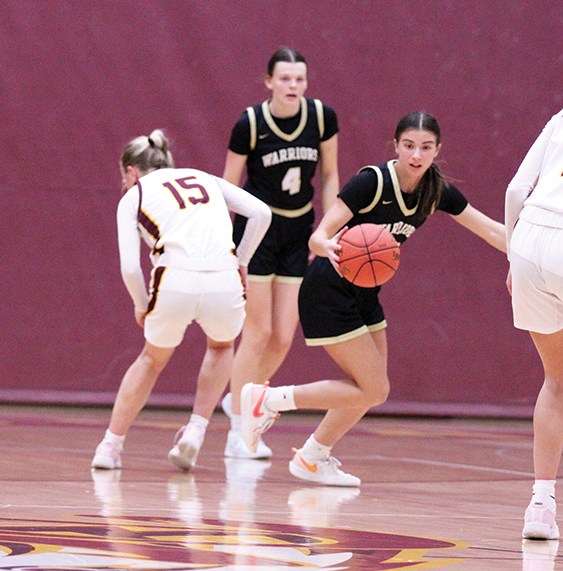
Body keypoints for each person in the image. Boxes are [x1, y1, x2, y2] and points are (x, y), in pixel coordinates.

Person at [241, 111, 506, 486]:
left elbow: (491, 231)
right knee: (374, 389)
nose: (416, 155)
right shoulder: (372, 182)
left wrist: (536, 249)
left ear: (437, 150)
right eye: (409, 146)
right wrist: (323, 243)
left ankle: (313, 456)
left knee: (369, 389)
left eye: (426, 147)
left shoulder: (436, 190)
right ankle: (268, 400)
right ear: (396, 146)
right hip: (328, 287)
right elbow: (321, 234)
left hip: (365, 291)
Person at [91, 130, 271, 472]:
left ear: (130, 172)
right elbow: (261, 213)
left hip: (174, 277)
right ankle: (196, 431)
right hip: (225, 277)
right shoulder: (206, 178)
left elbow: (130, 266)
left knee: (150, 361)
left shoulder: (134, 195)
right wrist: (242, 260)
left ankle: (110, 447)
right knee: (220, 347)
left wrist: (141, 303)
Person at [220, 48, 340, 460]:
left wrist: (328, 227)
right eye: (285, 79)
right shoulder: (249, 124)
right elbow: (228, 185)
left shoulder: (322, 118)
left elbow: (329, 174)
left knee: (283, 335)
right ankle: (239, 428)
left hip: (297, 229)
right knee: (256, 331)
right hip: (257, 231)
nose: (293, 86)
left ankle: (241, 394)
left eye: (300, 79)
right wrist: (227, 242)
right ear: (268, 81)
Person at [505, 108, 563, 540]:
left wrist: (511, 256)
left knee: (556, 380)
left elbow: (515, 190)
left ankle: (541, 506)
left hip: (529, 239)